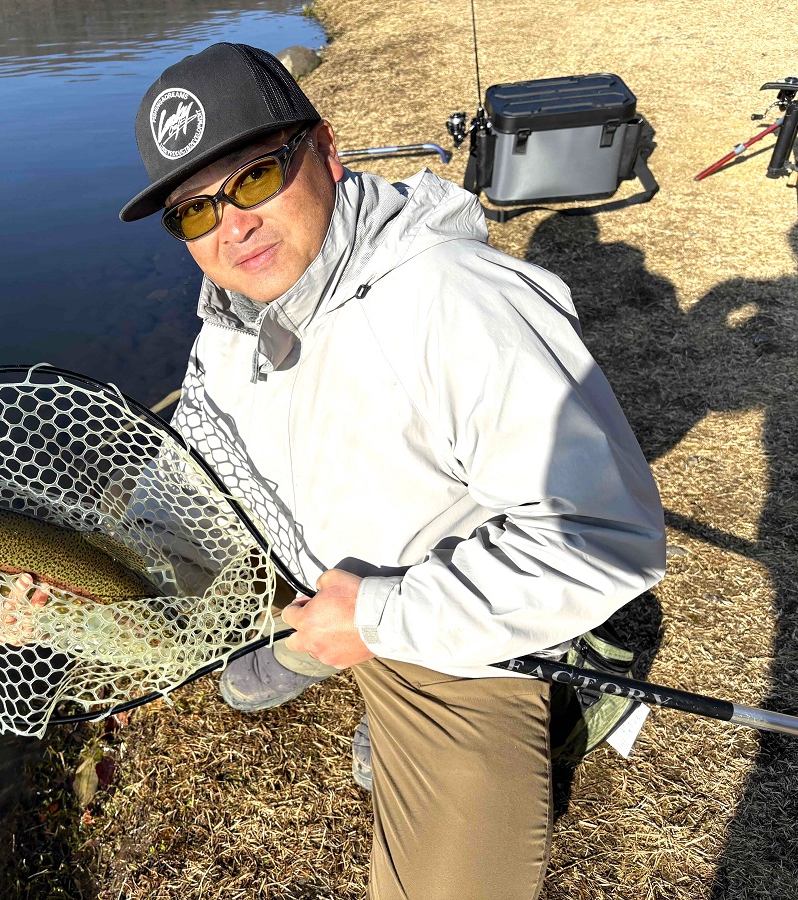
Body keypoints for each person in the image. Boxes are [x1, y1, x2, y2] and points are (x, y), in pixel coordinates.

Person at [114, 42, 666, 900]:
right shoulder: (229, 322)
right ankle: (322, 647)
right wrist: (56, 594)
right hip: (319, 576)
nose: (232, 227)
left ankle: (559, 696)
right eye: (193, 213)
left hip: (457, 635)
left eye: (253, 178)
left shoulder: (459, 301)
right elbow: (187, 496)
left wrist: (377, 618)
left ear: (326, 151)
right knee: (224, 649)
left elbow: (606, 537)